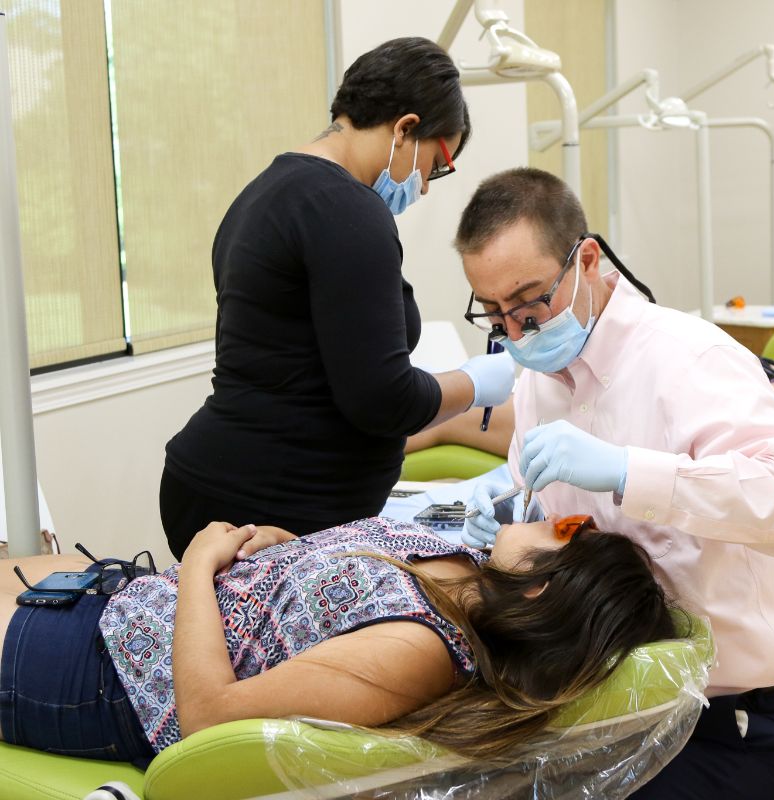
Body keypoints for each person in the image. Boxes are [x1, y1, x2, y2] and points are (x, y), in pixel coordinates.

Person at [455, 168, 774, 800]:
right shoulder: (538, 383)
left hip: (729, 717)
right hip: (610, 700)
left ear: (587, 260)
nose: (517, 333)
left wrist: (632, 472)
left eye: (528, 304)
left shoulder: (687, 360)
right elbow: (553, 527)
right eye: (495, 314)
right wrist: (509, 508)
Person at [160, 37, 515, 559]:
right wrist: (476, 382)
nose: (425, 187)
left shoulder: (264, 193)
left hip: (225, 484)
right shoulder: (347, 209)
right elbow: (383, 401)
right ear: (405, 128)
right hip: (267, 503)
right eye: (437, 165)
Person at [0, 515, 674, 766]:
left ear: (544, 590)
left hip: (101, 677)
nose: (555, 517)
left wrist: (205, 562)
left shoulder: (423, 652)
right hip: (119, 603)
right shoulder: (458, 564)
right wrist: (288, 552)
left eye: (567, 536)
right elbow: (325, 614)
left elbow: (208, 715)